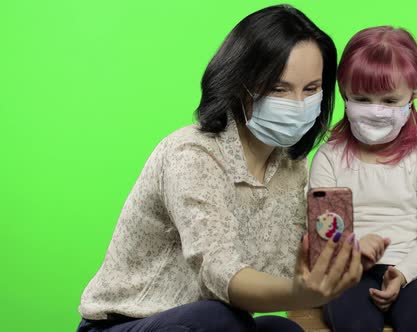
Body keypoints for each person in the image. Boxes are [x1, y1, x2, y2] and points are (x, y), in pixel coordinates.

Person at [76, 5, 363, 332]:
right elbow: (220, 274)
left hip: (224, 322)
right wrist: (302, 294)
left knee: (282, 330)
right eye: (279, 88)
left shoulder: (293, 166)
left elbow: (299, 265)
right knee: (216, 318)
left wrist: (389, 265)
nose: (298, 103)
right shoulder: (192, 153)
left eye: (310, 89)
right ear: (240, 85)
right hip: (130, 323)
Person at [310, 26, 417, 331]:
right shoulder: (329, 157)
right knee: (353, 322)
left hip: (412, 267)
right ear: (344, 93)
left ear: (412, 97)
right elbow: (326, 234)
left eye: (389, 101)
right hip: (349, 269)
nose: (375, 110)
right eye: (362, 98)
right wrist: (355, 256)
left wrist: (402, 272)